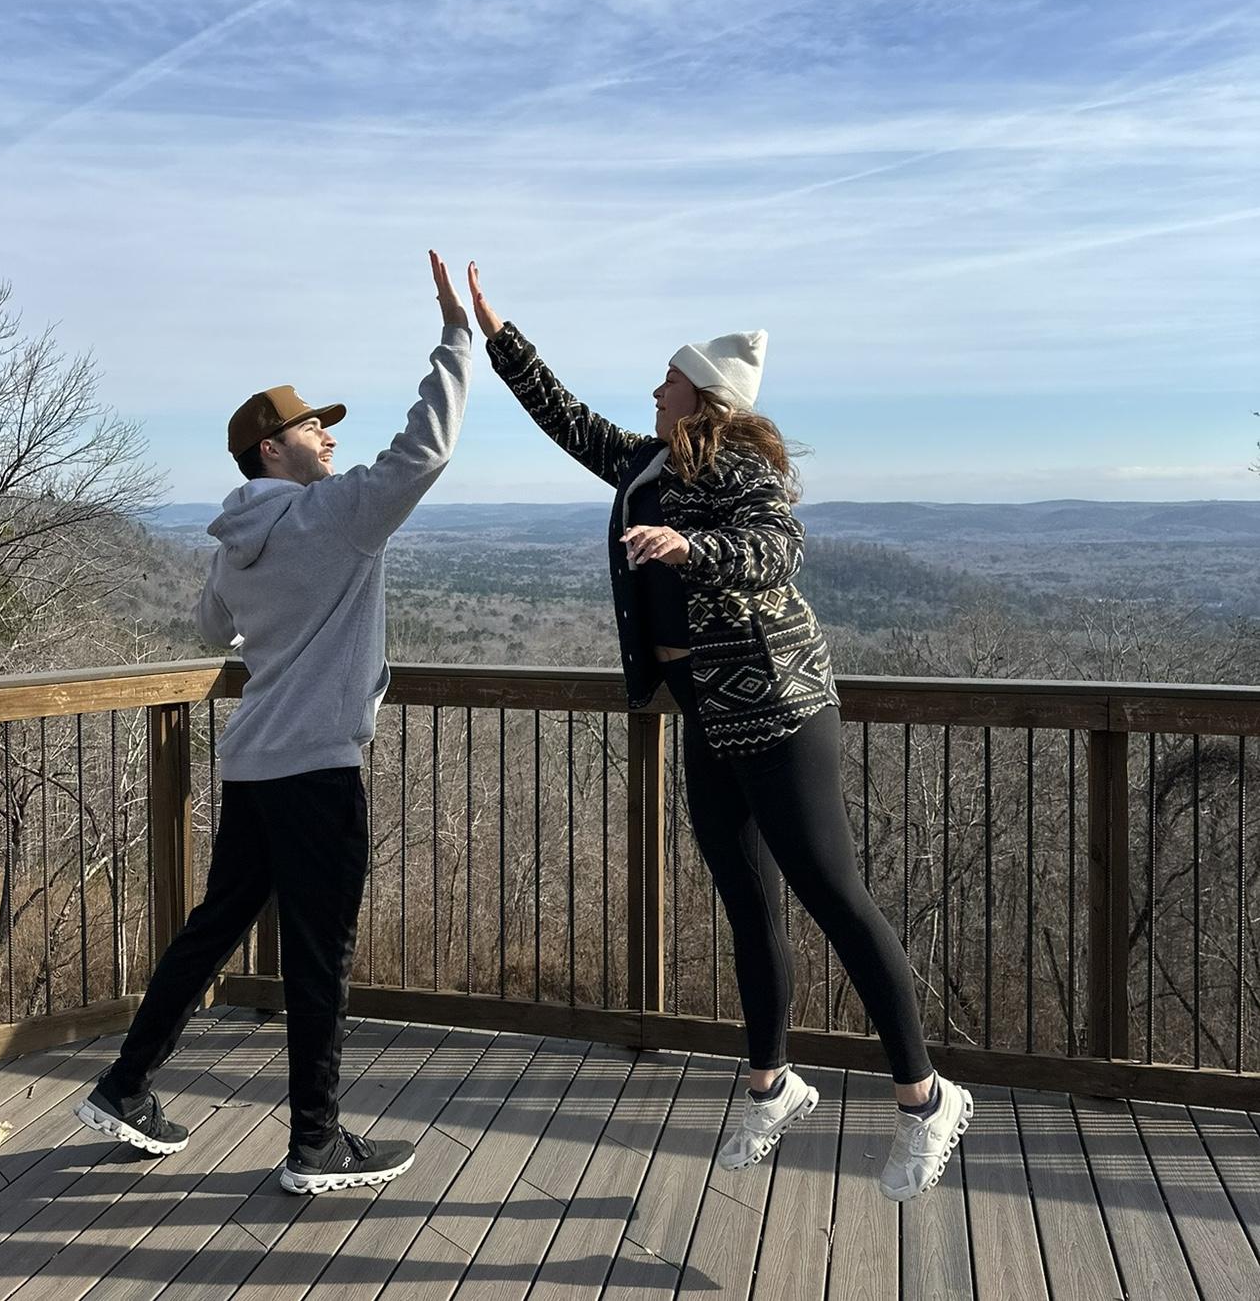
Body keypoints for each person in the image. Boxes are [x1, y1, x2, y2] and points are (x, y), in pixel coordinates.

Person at [470, 266, 971, 1202]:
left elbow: (778, 548)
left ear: (703, 396)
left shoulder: (740, 468)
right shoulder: (649, 465)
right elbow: (565, 418)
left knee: (835, 896)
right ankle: (772, 1087)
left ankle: (926, 1098)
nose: (654, 391)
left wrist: (692, 547)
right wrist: (500, 336)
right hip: (709, 710)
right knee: (746, 901)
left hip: (781, 709)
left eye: (668, 380)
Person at [76, 252, 473, 1196]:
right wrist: (458, 339)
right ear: (271, 450)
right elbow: (425, 450)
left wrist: (270, 623)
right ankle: (315, 1144)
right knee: (320, 958)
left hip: (254, 763)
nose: (328, 438)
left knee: (214, 929)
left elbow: (212, 628)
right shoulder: (332, 517)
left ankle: (126, 1085)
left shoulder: (233, 542)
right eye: (311, 427)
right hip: (319, 769)